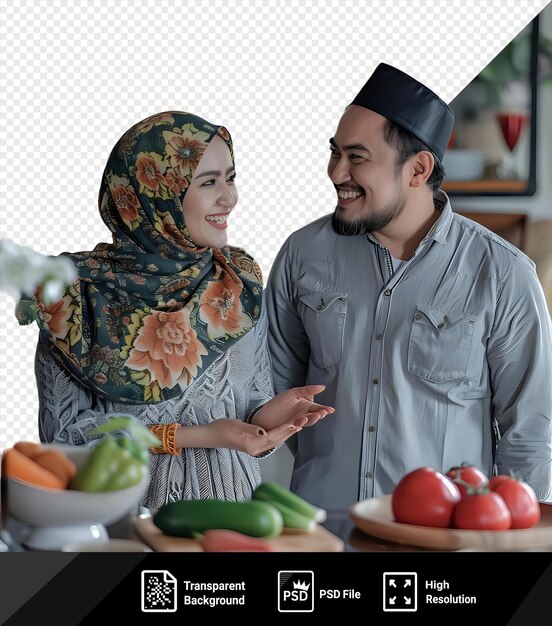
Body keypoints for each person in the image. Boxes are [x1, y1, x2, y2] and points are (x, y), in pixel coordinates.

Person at [265, 63, 552, 510]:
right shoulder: (302, 255)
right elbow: (274, 399)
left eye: (356, 157)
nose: (336, 172)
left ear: (418, 169)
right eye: (334, 152)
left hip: (441, 541)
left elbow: (531, 436)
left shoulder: (503, 274)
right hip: (322, 533)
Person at [16, 111, 332, 508]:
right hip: (126, 522)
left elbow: (249, 407)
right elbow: (64, 438)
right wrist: (195, 436)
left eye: (230, 178)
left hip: (238, 519)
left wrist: (269, 419)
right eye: (208, 183)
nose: (229, 198)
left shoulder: (237, 283)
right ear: (154, 194)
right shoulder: (74, 299)